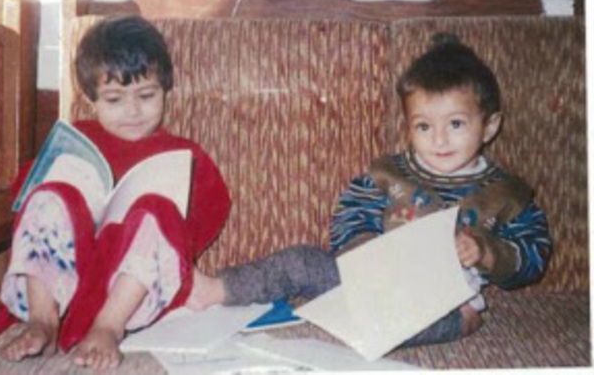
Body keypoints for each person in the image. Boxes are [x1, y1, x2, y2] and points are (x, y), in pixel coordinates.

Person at [188, 32, 552, 347]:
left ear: (489, 126)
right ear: (408, 126)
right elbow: (351, 214)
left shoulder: (506, 193)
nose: (439, 139)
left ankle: (456, 324)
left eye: (456, 124)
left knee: (408, 324)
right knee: (301, 260)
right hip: (368, 278)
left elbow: (534, 255)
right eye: (424, 126)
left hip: (434, 301)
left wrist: (485, 252)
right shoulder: (388, 175)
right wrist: (362, 249)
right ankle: (216, 289)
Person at [0, 15, 231, 370]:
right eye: (114, 99)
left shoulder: (182, 154)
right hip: (67, 274)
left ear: (165, 90)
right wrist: (53, 185)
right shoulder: (77, 139)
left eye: (146, 95)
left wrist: (172, 226)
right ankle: (43, 320)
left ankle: (107, 327)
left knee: (158, 212)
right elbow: (24, 198)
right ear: (92, 99)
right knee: (48, 195)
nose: (132, 111)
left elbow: (213, 209)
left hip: (132, 290)